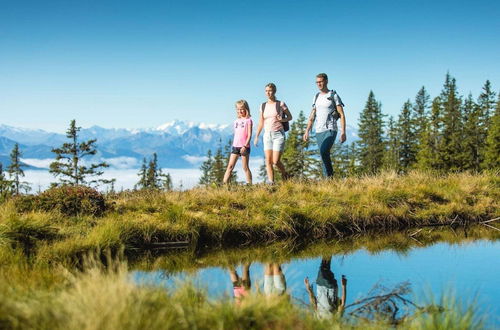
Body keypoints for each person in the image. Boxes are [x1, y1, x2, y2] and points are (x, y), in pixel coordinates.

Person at [303, 73, 346, 178]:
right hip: (318, 131)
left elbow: (341, 114)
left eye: (321, 81)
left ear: (326, 81)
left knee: (323, 151)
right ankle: (326, 182)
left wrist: (343, 132)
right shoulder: (316, 96)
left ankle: (330, 178)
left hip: (331, 129)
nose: (319, 84)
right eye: (317, 82)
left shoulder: (333, 95)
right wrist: (307, 130)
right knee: (323, 156)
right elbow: (312, 114)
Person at [254, 83, 292, 184]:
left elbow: (290, 117)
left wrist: (282, 119)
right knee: (268, 161)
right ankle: (271, 182)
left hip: (278, 135)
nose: (268, 93)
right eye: (266, 91)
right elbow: (261, 122)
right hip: (267, 135)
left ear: (274, 91)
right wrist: (257, 136)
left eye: (270, 90)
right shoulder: (262, 106)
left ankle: (285, 174)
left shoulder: (280, 104)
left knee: (275, 161)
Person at [223, 100, 253, 184]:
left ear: (246, 109)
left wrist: (245, 146)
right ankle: (224, 185)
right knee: (230, 166)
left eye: (242, 109)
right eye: (238, 109)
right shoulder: (236, 121)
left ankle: (249, 184)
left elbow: (249, 135)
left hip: (244, 147)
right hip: (235, 146)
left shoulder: (248, 120)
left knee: (245, 167)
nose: (240, 111)